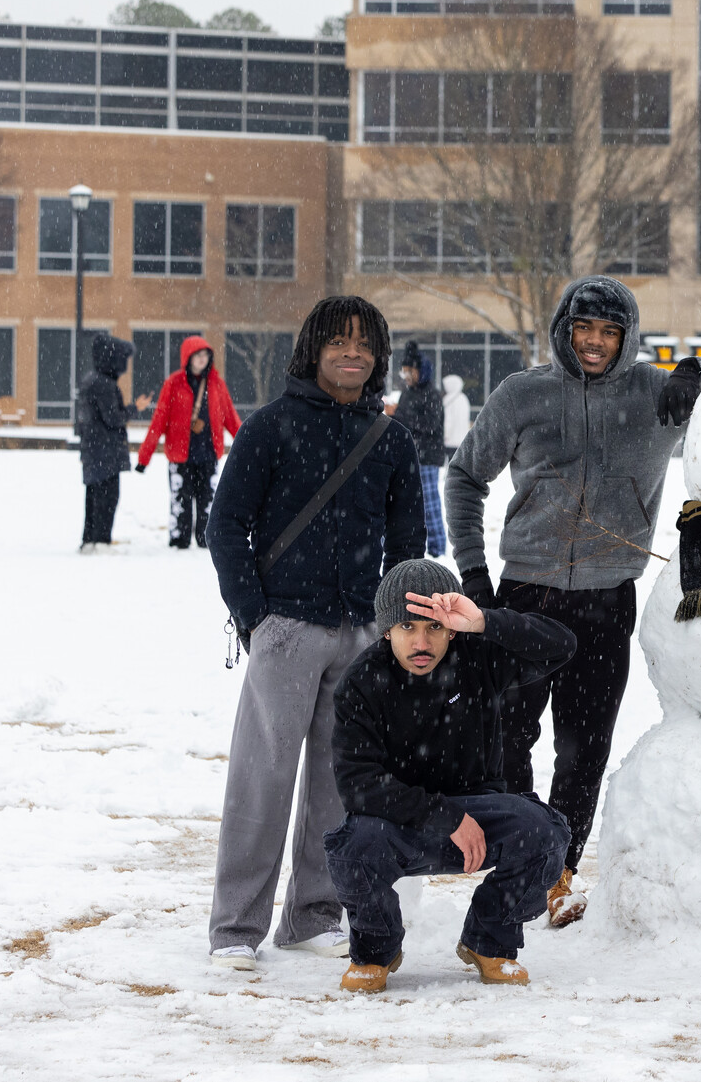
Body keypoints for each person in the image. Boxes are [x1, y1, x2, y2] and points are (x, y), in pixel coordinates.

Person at [445, 275, 701, 929]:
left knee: (583, 746)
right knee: (507, 732)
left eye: (608, 331)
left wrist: (697, 367)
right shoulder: (523, 394)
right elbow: (463, 476)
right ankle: (526, 849)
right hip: (525, 594)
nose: (594, 342)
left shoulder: (654, 394)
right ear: (564, 328)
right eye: (583, 328)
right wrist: (476, 577)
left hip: (605, 599)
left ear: (626, 337)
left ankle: (558, 870)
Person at [204, 296, 425, 972]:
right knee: (260, 779)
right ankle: (237, 926)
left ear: (378, 356)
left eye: (364, 343)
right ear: (314, 349)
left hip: (362, 634)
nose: (351, 353)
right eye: (338, 341)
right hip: (286, 629)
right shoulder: (269, 427)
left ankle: (314, 914)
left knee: (339, 782)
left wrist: (396, 630)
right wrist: (255, 616)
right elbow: (226, 526)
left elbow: (409, 544)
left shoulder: (391, 439)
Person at [325, 560, 577, 994]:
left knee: (546, 833)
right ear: (387, 629)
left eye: (435, 628)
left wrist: (485, 621)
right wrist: (445, 818)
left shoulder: (477, 656)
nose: (421, 642)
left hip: (479, 809)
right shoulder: (362, 682)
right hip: (399, 820)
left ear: (452, 629)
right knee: (351, 848)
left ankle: (489, 939)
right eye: (407, 627)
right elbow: (358, 785)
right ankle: (376, 949)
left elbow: (562, 645)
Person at [136, 336, 240, 549]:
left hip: (208, 454)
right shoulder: (174, 383)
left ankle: (205, 539)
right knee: (180, 502)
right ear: (188, 357)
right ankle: (179, 540)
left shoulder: (216, 384)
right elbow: (159, 421)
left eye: (206, 356)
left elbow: (231, 418)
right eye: (198, 355)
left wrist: (252, 446)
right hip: (180, 455)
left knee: (207, 502)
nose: (202, 360)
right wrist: (144, 457)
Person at [78, 335, 148, 552]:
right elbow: (114, 418)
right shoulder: (105, 385)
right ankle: (101, 540)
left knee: (94, 497)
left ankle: (90, 540)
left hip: (93, 450)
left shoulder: (91, 380)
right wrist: (134, 408)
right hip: (106, 453)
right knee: (107, 498)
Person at [390, 342, 450, 559]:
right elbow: (405, 421)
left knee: (429, 502)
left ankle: (437, 548)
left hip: (427, 456)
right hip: (409, 456)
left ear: (420, 371)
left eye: (409, 371)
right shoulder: (407, 393)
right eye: (404, 371)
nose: (406, 375)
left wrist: (401, 416)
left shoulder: (431, 395)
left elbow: (430, 425)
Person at [441, 373, 470, 466]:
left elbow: (447, 420)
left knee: (450, 464)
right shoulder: (464, 399)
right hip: (461, 439)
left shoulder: (448, 399)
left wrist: (445, 435)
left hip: (450, 440)